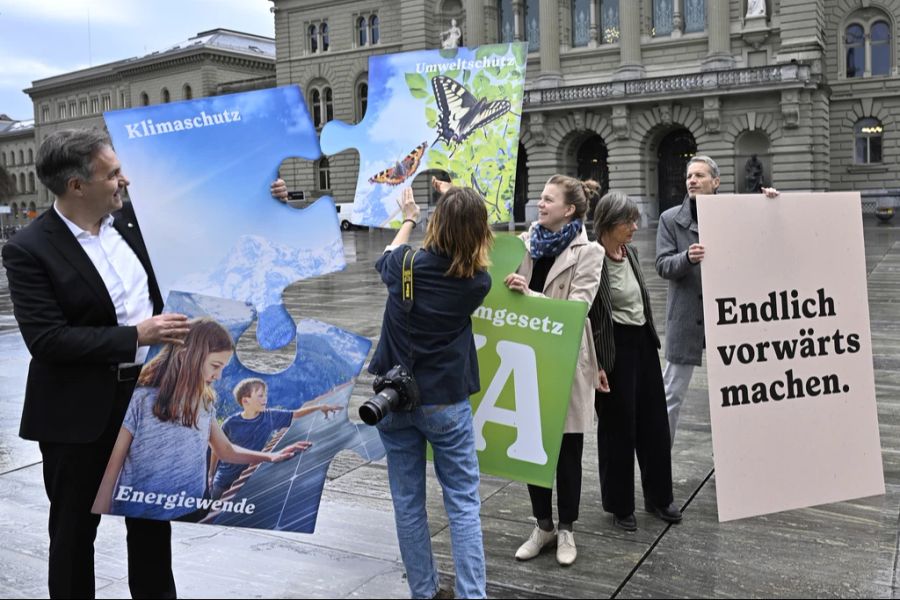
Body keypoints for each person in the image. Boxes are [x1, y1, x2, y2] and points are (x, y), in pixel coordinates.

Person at [1, 129, 188, 598]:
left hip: (148, 402)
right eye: (112, 173)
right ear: (76, 186)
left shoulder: (131, 225)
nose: (123, 181)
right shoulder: (28, 248)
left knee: (150, 525)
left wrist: (270, 198)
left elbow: (206, 221)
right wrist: (134, 337)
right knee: (73, 535)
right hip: (77, 416)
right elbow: (48, 340)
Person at [369, 183, 492, 599]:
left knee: (407, 502)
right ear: (480, 232)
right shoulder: (477, 282)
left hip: (392, 400)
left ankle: (424, 591)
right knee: (462, 501)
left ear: (435, 223)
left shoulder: (404, 265)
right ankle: (472, 594)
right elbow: (461, 249)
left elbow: (385, 258)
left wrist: (408, 217)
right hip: (445, 401)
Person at [92, 318, 311, 520]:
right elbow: (113, 466)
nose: (219, 376)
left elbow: (225, 450)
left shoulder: (205, 402)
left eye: (222, 368)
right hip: (141, 511)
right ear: (185, 356)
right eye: (215, 366)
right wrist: (101, 516)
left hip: (191, 510)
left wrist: (271, 457)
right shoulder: (140, 399)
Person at [507, 175, 604, 566]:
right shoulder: (524, 244)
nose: (540, 204)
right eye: (540, 198)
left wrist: (528, 295)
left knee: (567, 448)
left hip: (566, 358)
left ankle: (567, 530)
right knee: (533, 445)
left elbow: (577, 308)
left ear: (570, 210)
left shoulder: (589, 252)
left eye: (548, 199)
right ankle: (542, 525)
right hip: (527, 355)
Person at [656, 156, 778, 445]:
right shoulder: (670, 219)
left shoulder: (735, 212)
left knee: (736, 393)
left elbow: (765, 237)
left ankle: (733, 456)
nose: (692, 181)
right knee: (670, 393)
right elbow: (662, 265)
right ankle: (659, 457)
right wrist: (686, 258)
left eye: (699, 175)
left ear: (716, 181)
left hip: (729, 316)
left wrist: (771, 204)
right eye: (689, 176)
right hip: (686, 316)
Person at [590, 191, 680, 532]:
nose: (635, 226)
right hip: (613, 349)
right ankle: (620, 504)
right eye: (628, 221)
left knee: (653, 423)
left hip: (642, 343)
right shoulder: (591, 257)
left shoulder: (631, 254)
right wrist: (596, 362)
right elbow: (586, 312)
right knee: (617, 428)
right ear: (609, 223)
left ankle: (659, 497)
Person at [209, 377, 341, 499]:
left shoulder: (270, 417)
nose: (265, 399)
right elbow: (217, 449)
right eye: (260, 396)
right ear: (245, 400)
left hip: (247, 480)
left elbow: (295, 414)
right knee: (212, 513)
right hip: (223, 482)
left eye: (265, 395)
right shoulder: (231, 423)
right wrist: (211, 474)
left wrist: (320, 407)